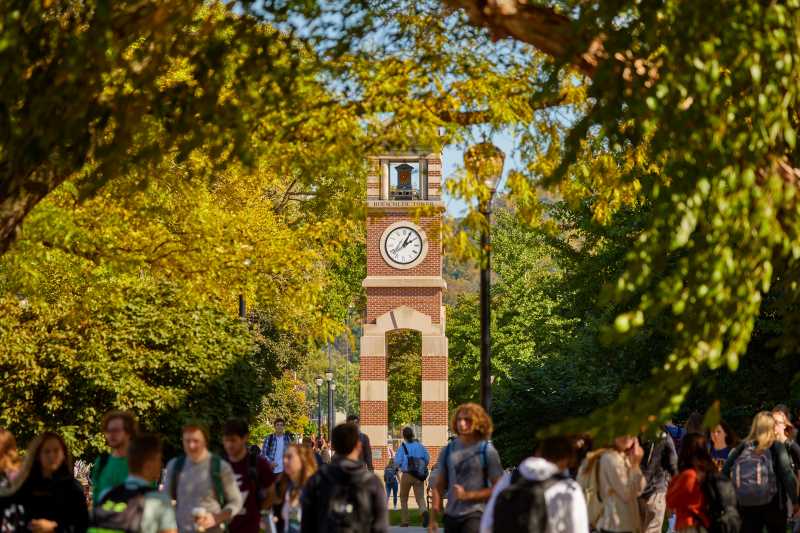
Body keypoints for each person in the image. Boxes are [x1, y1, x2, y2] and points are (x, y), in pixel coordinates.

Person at [479, 435, 589, 533]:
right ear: (568, 459)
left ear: (538, 452)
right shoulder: (568, 488)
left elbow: (486, 526)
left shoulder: (509, 479)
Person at [429, 403, 504, 533]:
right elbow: (438, 485)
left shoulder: (487, 451)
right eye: (459, 419)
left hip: (476, 515)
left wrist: (469, 495)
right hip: (451, 516)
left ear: (478, 422)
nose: (462, 423)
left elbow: (499, 487)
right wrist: (433, 518)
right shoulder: (447, 450)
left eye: (467, 420)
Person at [300, 422, 388, 533]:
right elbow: (380, 526)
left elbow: (307, 523)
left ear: (333, 446)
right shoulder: (371, 482)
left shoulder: (317, 479)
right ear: (358, 446)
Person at [723, 411, 798, 533]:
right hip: (774, 505)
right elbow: (787, 474)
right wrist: (795, 501)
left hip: (746, 504)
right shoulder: (777, 446)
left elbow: (725, 471)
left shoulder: (744, 446)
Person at [163, 423, 243, 533]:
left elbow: (236, 501)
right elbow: (164, 501)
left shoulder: (220, 467)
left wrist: (217, 517)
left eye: (196, 441)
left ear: (205, 441)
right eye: (187, 441)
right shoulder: (174, 466)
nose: (191, 445)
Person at [92, 433, 177, 533]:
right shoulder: (159, 500)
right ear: (149, 465)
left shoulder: (106, 494)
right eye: (158, 459)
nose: (161, 464)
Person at [16, 431, 89, 532]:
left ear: (63, 454)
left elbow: (82, 525)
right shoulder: (25, 485)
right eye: (46, 451)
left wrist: (54, 528)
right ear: (37, 456)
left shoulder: (72, 488)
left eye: (56, 451)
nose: (52, 456)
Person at [222, 419, 276, 533]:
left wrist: (258, 512)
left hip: (251, 528)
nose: (229, 445)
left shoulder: (259, 464)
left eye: (233, 440)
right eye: (226, 440)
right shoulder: (219, 464)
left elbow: (271, 493)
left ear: (245, 438)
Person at [596, 435, 646, 533]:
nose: (627, 437)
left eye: (632, 434)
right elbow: (626, 494)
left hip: (626, 525)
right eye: (622, 433)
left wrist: (635, 464)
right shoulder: (610, 458)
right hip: (615, 526)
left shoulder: (624, 457)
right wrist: (635, 465)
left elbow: (639, 489)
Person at [666, 433, 715, 532]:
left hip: (689, 524)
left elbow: (671, 501)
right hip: (705, 523)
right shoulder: (710, 473)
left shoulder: (688, 475)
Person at [92, 410, 138, 505]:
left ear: (128, 432)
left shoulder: (141, 462)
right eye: (108, 431)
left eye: (116, 430)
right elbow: (96, 500)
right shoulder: (101, 462)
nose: (111, 434)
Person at [272, 443, 318, 533]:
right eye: (284, 457)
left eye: (289, 457)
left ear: (302, 459)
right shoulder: (282, 487)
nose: (284, 461)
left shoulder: (315, 488)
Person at [639, 428, 678, 533]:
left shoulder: (637, 437)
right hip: (656, 492)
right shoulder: (664, 437)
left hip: (638, 492)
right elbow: (673, 466)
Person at [394, 426, 430, 527]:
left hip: (406, 474)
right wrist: (422, 466)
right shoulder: (420, 446)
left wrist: (398, 467)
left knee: (403, 497)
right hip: (419, 475)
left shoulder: (402, 447)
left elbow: (397, 462)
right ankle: (424, 511)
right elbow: (427, 459)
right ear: (413, 434)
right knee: (420, 498)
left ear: (404, 436)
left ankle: (405, 521)